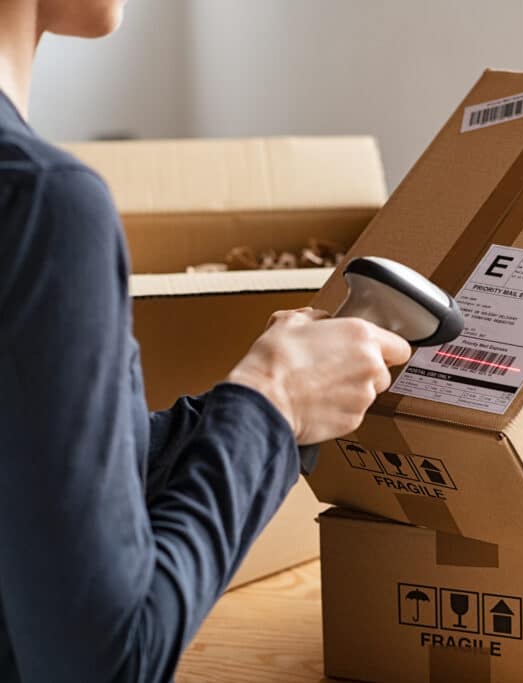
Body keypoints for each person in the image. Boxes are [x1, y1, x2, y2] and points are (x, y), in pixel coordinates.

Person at [0, 1, 412, 681]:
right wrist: (274, 402)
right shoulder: (42, 207)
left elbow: (29, 467)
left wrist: (236, 415)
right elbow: (104, 664)